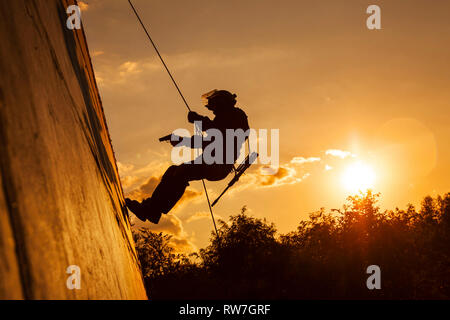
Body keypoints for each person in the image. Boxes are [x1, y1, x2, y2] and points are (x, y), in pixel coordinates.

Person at [126, 90, 250, 224]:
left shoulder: (235, 116)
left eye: (214, 106)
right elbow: (210, 140)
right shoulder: (225, 118)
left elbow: (218, 133)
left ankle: (153, 210)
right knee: (174, 171)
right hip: (214, 162)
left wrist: (198, 121)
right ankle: (153, 209)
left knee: (182, 172)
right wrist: (183, 140)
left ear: (221, 104)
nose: (213, 111)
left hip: (218, 165)